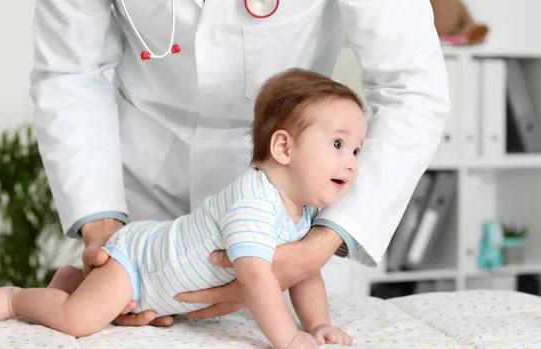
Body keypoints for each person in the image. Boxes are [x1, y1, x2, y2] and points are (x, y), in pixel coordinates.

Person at [30, 0, 450, 327]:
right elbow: (70, 73)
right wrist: (104, 230)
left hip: (293, 199)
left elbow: (411, 85)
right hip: (147, 194)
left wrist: (316, 247)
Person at [0, 68, 365, 349]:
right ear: (283, 148)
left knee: (85, 305)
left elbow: (303, 270)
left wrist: (316, 324)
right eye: (337, 143)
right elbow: (258, 279)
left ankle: (67, 282)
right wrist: (288, 339)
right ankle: (15, 299)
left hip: (157, 277)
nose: (351, 163)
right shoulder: (255, 201)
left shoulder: (301, 212)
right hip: (137, 265)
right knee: (79, 322)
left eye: (356, 150)